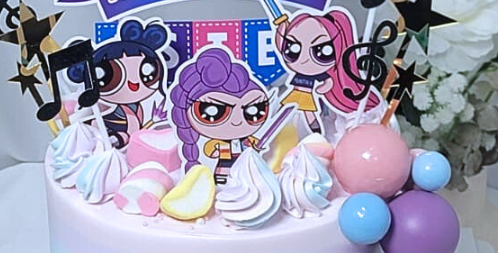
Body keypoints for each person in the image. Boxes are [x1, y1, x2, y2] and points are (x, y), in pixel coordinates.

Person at [169, 47, 270, 184]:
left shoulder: (247, 140)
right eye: (215, 112)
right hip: (223, 174)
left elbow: (256, 147)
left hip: (246, 176)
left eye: (253, 111)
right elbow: (210, 152)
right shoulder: (215, 143)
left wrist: (255, 147)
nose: (236, 121)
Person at [70, 19, 169, 148]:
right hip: (106, 139)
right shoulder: (109, 109)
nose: (133, 83)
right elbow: (131, 129)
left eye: (147, 73)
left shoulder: (139, 107)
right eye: (111, 76)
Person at [275, 10, 379, 133]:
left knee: (308, 111)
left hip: (308, 94)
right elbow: (280, 44)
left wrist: (321, 89)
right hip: (297, 92)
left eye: (321, 52)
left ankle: (315, 128)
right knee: (286, 112)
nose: (304, 59)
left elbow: (328, 82)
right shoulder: (299, 72)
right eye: (292, 49)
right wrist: (282, 27)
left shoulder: (323, 74)